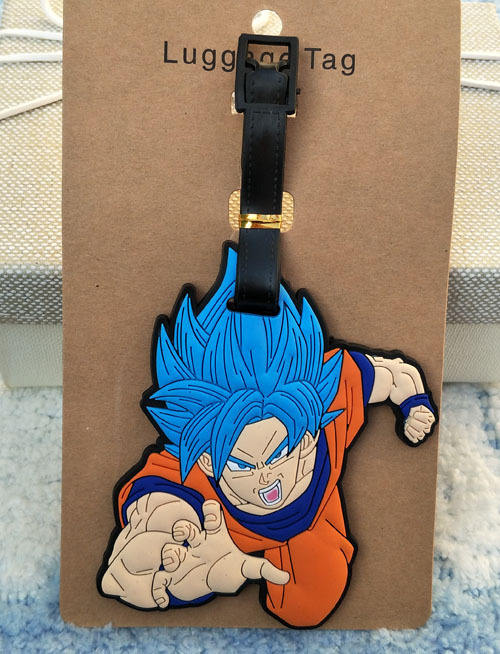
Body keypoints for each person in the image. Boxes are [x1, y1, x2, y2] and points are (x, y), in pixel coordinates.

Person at [98, 244, 437, 628]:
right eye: (242, 464)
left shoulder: (332, 395)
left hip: (315, 525)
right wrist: (160, 531)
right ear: (208, 461)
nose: (265, 477)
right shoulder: (195, 474)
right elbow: (157, 496)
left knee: (313, 600)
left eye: (279, 453)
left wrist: (415, 404)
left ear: (309, 435)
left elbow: (395, 373)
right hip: (222, 533)